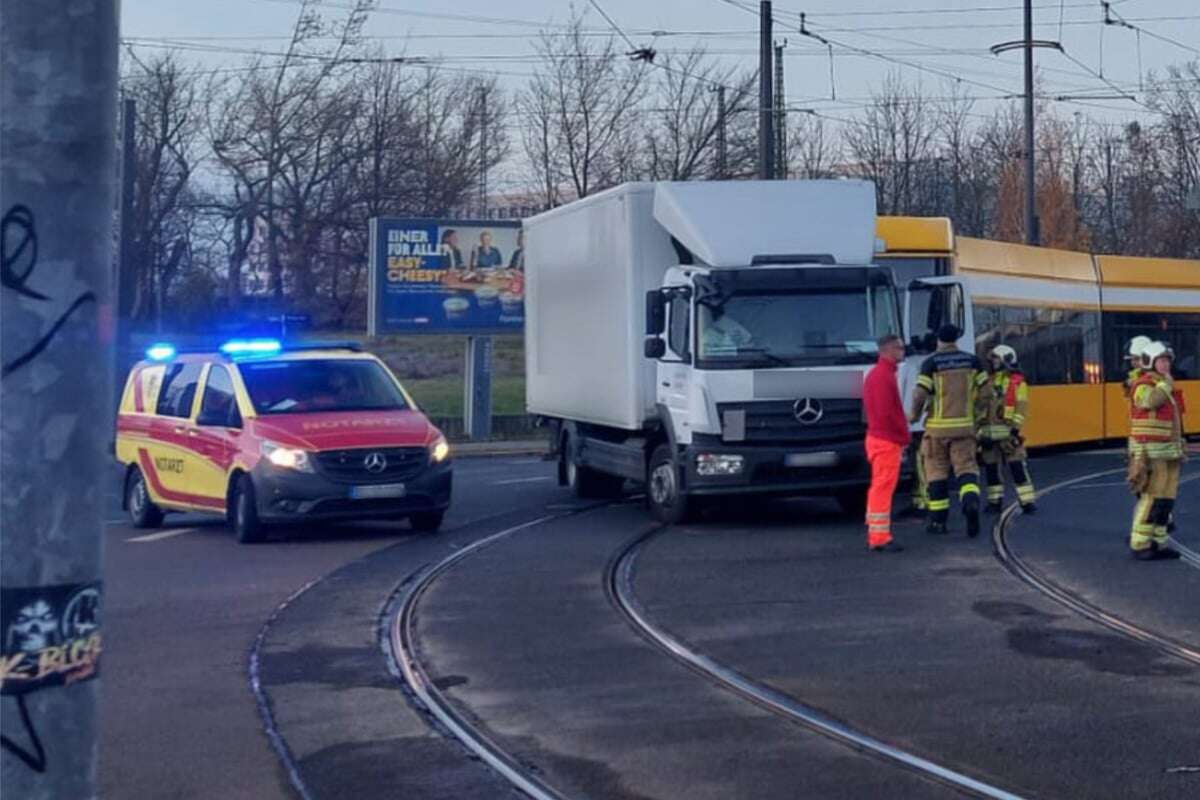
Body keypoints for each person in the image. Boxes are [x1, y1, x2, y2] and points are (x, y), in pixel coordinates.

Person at [909, 324, 989, 537]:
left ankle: (938, 522)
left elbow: (919, 394)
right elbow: (986, 393)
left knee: (936, 473)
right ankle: (970, 502)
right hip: (965, 427)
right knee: (966, 470)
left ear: (939, 340)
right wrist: (978, 416)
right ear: (956, 339)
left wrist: (914, 416)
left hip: (937, 430)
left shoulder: (931, 363)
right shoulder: (972, 361)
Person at [1127, 341, 1185, 560]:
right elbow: (1149, 402)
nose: (1166, 364)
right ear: (1150, 362)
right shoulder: (1143, 383)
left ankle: (1159, 542)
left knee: (1166, 499)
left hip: (1168, 451)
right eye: (1161, 360)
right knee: (1151, 497)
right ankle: (1140, 543)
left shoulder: (1164, 384)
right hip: (1150, 451)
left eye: (1167, 360)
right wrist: (1165, 386)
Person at [862, 334, 910, 552]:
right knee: (883, 486)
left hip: (879, 437)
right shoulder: (883, 376)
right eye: (899, 348)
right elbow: (887, 413)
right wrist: (902, 435)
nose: (903, 351)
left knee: (880, 485)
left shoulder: (878, 375)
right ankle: (879, 536)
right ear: (888, 350)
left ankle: (875, 529)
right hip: (886, 440)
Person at [979, 345, 1036, 514]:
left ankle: (1027, 502)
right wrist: (979, 433)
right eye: (993, 359)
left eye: (996, 358)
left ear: (1007, 360)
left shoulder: (1018, 383)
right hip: (988, 435)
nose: (993, 362)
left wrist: (1014, 431)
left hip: (1008, 435)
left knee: (1017, 468)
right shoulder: (986, 381)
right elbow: (979, 407)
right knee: (991, 472)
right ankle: (994, 502)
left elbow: (1021, 408)